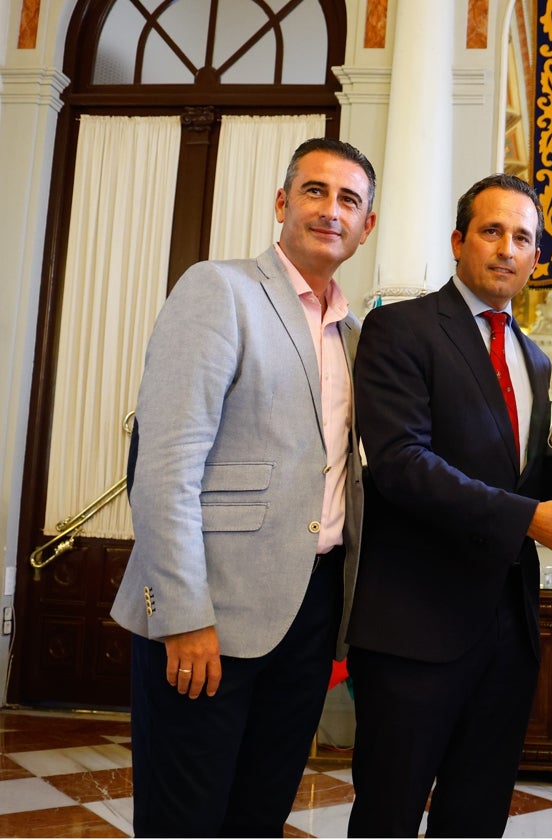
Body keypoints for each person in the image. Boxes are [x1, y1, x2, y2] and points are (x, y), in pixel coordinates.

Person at [111, 137, 377, 836]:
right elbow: (165, 465)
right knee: (185, 820)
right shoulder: (219, 289)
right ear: (283, 202)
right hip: (211, 612)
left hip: (308, 612)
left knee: (258, 814)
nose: (330, 210)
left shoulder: (353, 335)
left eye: (349, 199)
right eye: (315, 191)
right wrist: (183, 613)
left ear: (366, 226)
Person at [345, 173, 552, 837]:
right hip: (413, 630)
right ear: (460, 240)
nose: (507, 249)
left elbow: (518, 479)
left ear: (537, 257)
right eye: (492, 231)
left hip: (507, 634)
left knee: (476, 817)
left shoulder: (535, 359)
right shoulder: (399, 328)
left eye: (523, 238)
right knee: (388, 816)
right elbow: (402, 465)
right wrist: (528, 520)